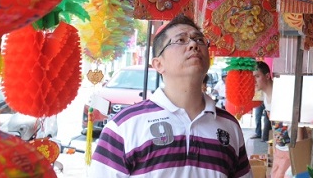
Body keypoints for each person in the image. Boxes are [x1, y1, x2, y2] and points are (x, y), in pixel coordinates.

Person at [90, 14, 252, 178]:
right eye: (180, 40)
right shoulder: (124, 125)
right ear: (158, 64)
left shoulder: (229, 126)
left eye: (200, 40)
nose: (194, 44)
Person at [254, 61, 290, 178]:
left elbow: (297, 122)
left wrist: (297, 152)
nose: (254, 80)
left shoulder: (281, 95)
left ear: (268, 76)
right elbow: (274, 125)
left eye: (257, 76)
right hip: (279, 148)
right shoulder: (265, 97)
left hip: (290, 149)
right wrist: (274, 148)